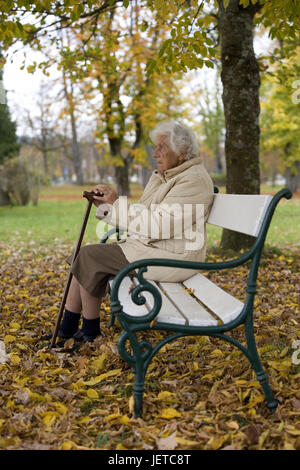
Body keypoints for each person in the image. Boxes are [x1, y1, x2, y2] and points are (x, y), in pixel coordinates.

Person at [58, 121, 214, 344]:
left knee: (90, 256)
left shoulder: (193, 180)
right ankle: (67, 330)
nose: (155, 153)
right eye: (155, 147)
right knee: (81, 256)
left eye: (161, 147)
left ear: (181, 152)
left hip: (176, 257)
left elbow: (158, 226)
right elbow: (143, 215)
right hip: (151, 247)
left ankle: (90, 333)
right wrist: (106, 206)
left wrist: (116, 205)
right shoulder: (164, 176)